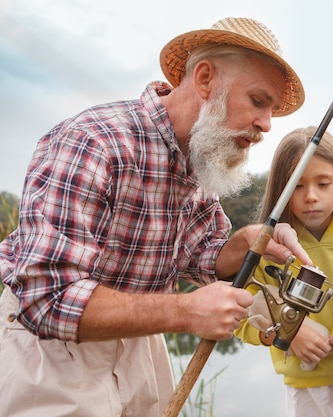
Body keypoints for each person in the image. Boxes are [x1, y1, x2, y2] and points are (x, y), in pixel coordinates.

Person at [0, 17, 313, 417]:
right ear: (204, 79)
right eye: (257, 101)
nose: (266, 125)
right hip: (51, 357)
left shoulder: (200, 155)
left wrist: (244, 244)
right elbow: (47, 298)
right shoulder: (93, 141)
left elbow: (200, 254)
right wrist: (185, 312)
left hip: (141, 349)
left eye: (270, 109)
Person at [235, 126, 333, 417]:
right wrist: (286, 334)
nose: (310, 196)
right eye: (297, 185)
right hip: (306, 387)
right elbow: (241, 317)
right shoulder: (268, 246)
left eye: (323, 184)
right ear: (282, 190)